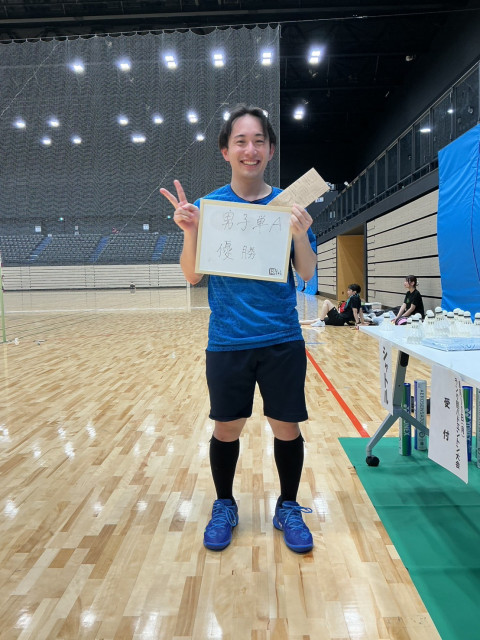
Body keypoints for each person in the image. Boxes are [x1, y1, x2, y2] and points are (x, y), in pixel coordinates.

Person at [160, 104, 317, 553]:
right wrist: (190, 230)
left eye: (259, 141)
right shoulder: (208, 208)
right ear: (225, 151)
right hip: (228, 340)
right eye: (241, 141)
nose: (251, 150)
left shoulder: (288, 206)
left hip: (282, 338)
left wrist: (300, 233)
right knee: (227, 429)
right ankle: (225, 504)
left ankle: (288, 506)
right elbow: (192, 275)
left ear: (271, 150)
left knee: (286, 428)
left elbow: (307, 273)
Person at [299, 284, 366, 327]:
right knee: (316, 320)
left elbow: (355, 312)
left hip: (339, 319)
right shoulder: (357, 298)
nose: (347, 291)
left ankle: (321, 321)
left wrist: (358, 323)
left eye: (349, 290)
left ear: (354, 292)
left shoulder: (354, 298)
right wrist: (362, 322)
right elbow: (360, 311)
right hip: (339, 319)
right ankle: (298, 322)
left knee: (327, 302)